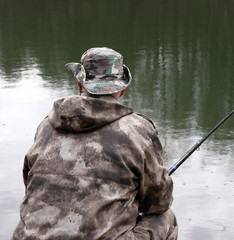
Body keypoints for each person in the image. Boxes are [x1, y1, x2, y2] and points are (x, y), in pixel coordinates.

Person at [12, 47, 178, 240]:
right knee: (165, 218)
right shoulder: (137, 130)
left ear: (79, 84)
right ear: (122, 88)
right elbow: (158, 202)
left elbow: (29, 183)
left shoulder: (46, 126)